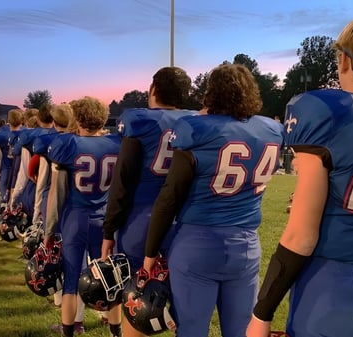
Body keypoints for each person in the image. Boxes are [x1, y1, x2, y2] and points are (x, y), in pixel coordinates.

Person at [247, 11, 353, 337]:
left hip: (338, 290)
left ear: (346, 62)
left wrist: (261, 315)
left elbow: (301, 236)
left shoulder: (330, 113)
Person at [142, 63, 284, 337]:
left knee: (192, 329)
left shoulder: (196, 129)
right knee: (240, 331)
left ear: (211, 93)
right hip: (246, 246)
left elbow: (169, 197)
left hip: (198, 243)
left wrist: (150, 252)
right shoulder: (271, 130)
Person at [100, 66, 196, 337]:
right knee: (183, 307)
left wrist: (109, 229)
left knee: (138, 302)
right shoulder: (195, 122)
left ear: (153, 89)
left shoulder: (139, 120)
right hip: (184, 225)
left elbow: (123, 180)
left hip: (141, 222)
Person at [43, 97, 122, 337]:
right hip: (105, 221)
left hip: (75, 219)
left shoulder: (69, 145)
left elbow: (56, 196)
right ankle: (115, 332)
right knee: (111, 279)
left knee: (71, 280)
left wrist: (49, 231)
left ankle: (70, 331)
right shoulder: (116, 143)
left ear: (78, 118)